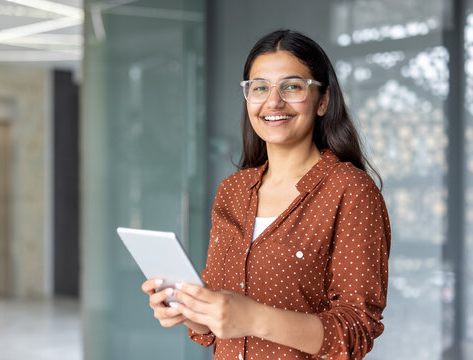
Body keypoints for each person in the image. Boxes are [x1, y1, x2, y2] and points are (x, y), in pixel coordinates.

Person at [142, 29, 391, 360]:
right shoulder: (232, 191)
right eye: (259, 88)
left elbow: (355, 331)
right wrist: (191, 313)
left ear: (323, 100)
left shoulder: (351, 191)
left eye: (292, 87)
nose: (273, 101)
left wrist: (254, 318)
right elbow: (217, 325)